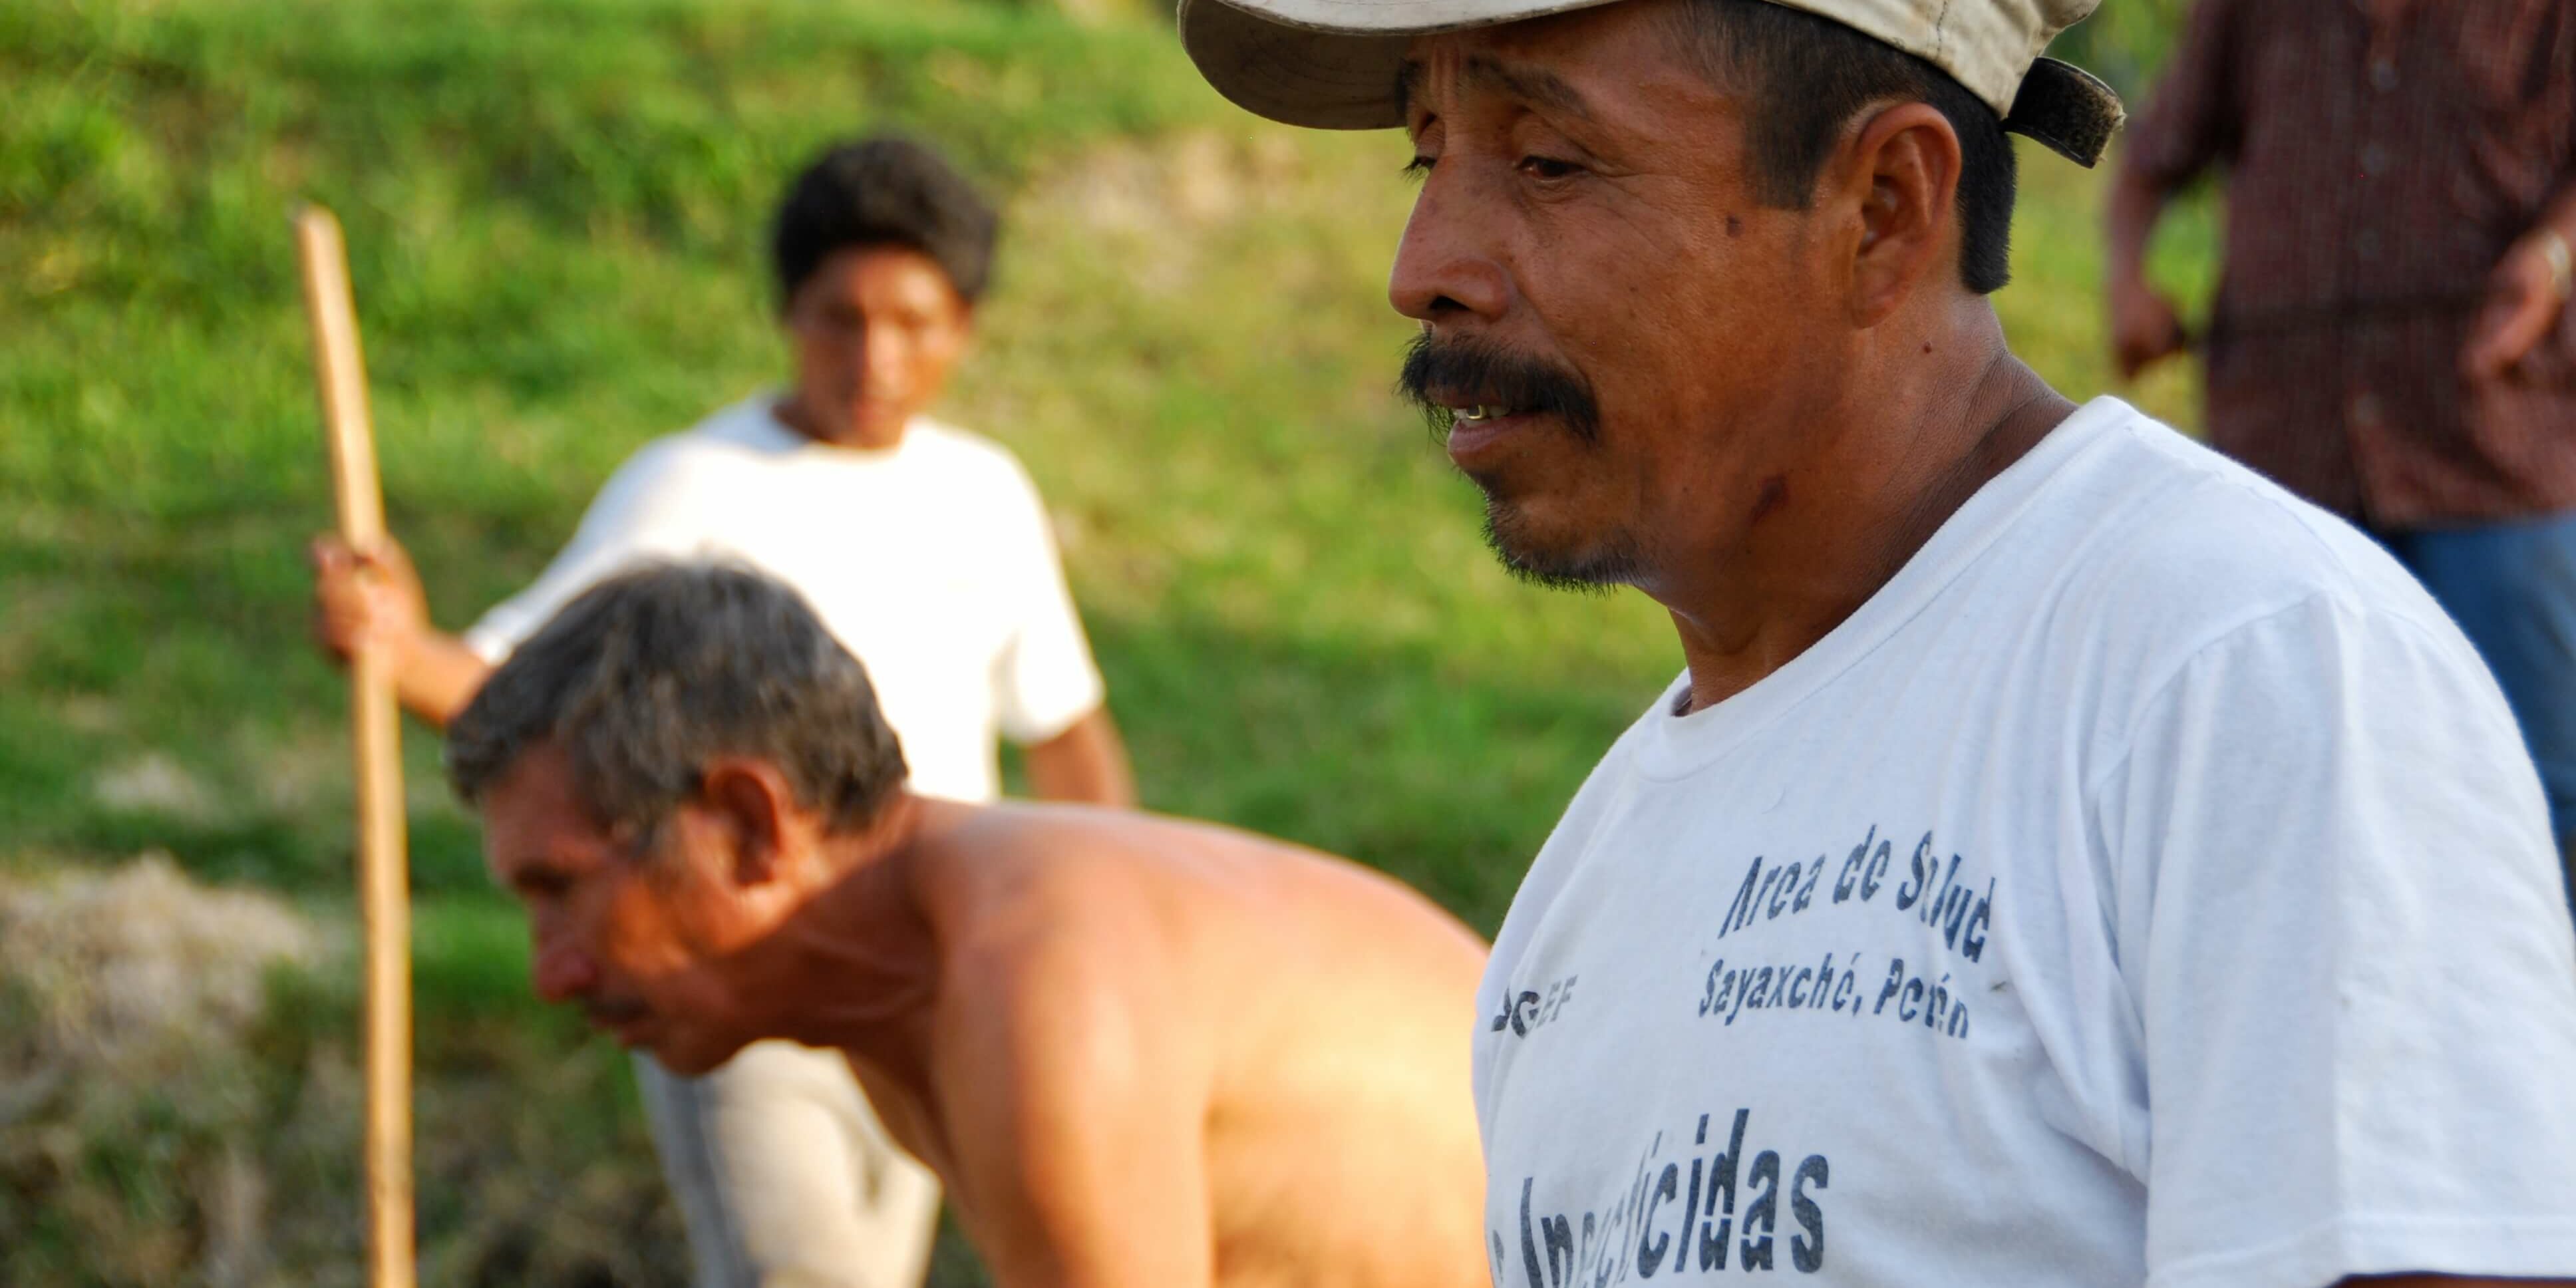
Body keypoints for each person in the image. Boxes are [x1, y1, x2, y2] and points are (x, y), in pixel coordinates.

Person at [1177, 0, 2576, 1284]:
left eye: (1548, 159)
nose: (1424, 271)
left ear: (1882, 208)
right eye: (1428, 161)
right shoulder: (1581, 895)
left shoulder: (2237, 677)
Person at [308, 136, 1135, 1287]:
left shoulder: (983, 492)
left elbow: (1063, 725)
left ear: (967, 328)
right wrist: (397, 646)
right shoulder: (694, 486)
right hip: (741, 966)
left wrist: (1107, 897)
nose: (875, 357)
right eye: (840, 318)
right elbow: (515, 689)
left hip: (921, 977)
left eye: (915, 322)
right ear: (788, 314)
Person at [448, 561, 1493, 1288]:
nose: (553, 974)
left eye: (562, 891)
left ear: (748, 822)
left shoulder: (1036, 976)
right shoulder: (902, 989)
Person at [2107, 0, 2576, 913]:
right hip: (2285, 464)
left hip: (2493, 456)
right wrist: (2129, 280)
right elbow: (2155, 159)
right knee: (2284, 796)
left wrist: (2554, 258)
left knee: (2538, 789)